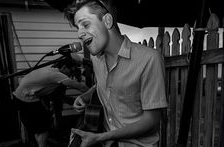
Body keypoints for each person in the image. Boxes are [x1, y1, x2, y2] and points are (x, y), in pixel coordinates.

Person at [65, 0, 168, 147]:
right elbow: (102, 84)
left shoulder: (149, 59)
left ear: (107, 21)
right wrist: (86, 95)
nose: (79, 34)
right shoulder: (95, 59)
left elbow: (151, 121)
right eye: (77, 28)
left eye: (85, 25)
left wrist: (101, 137)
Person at [12, 57, 89, 147]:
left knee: (39, 128)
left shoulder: (50, 70)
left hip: (20, 97)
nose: (70, 75)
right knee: (42, 129)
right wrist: (93, 93)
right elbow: (80, 87)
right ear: (64, 67)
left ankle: (41, 143)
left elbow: (56, 96)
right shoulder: (57, 75)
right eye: (70, 71)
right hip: (27, 100)